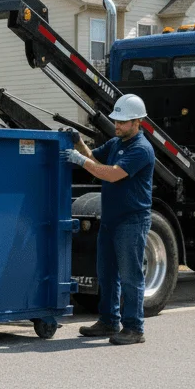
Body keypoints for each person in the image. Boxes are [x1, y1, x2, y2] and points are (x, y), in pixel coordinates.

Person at [64, 94, 155, 345]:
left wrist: (81, 160)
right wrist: (79, 144)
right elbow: (95, 160)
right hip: (111, 219)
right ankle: (108, 321)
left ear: (137, 122)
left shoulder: (141, 149)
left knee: (130, 277)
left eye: (123, 122)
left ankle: (134, 328)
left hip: (131, 220)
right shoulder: (116, 143)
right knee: (106, 274)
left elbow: (112, 174)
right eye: (116, 121)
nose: (117, 125)